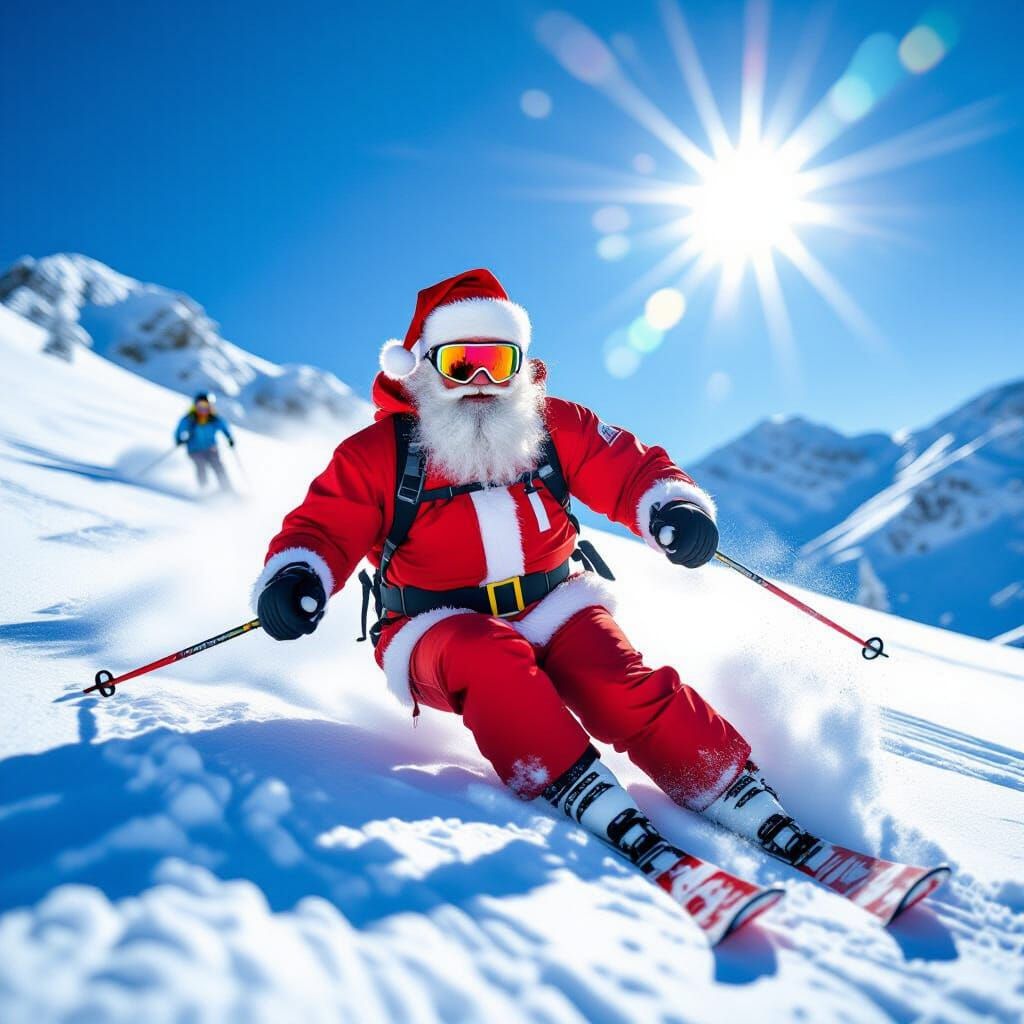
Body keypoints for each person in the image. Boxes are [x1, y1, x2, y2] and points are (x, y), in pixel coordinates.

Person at [253, 269, 820, 881]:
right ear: (421, 367)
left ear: (519, 364)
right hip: (434, 628)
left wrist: (670, 506)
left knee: (615, 679)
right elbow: (323, 527)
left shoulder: (555, 426)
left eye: (495, 362)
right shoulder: (379, 453)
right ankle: (568, 779)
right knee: (489, 656)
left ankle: (726, 783)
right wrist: (298, 575)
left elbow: (626, 468)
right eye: (457, 363)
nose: (478, 382)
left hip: (555, 606)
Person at [175, 392, 235, 493]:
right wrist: (178, 439)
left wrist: (229, 438)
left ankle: (227, 490)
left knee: (218, 467)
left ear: (210, 407)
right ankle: (204, 489)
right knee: (201, 467)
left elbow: (224, 427)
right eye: (200, 406)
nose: (203, 409)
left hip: (211, 448)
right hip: (195, 449)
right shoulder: (191, 419)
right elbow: (179, 429)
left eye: (206, 406)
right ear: (195, 406)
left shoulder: (213, 419)